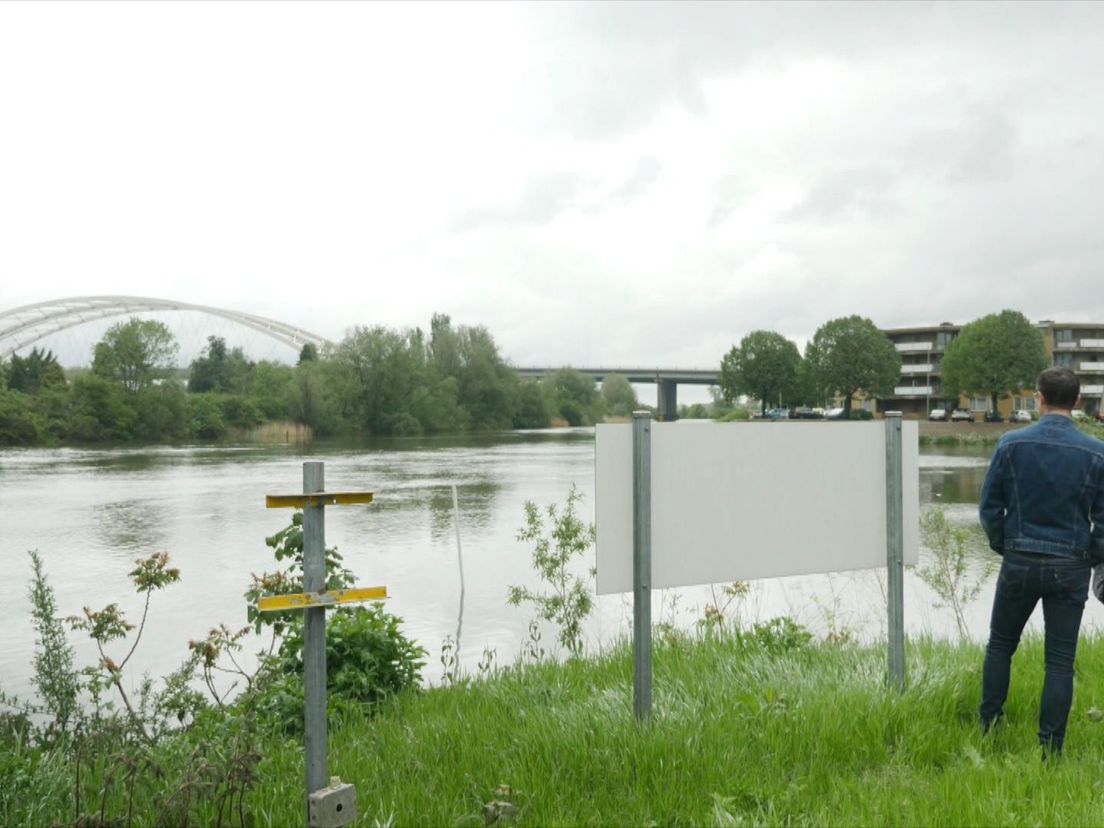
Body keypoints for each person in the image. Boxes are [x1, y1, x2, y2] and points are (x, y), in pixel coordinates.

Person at [978, 366, 1104, 754]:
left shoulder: (1011, 444)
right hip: (1071, 565)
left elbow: (989, 508)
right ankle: (1051, 748)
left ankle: (989, 729)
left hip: (1019, 558)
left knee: (1001, 645)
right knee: (1060, 662)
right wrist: (1089, 557)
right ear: (1078, 402)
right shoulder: (1096, 452)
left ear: (1039, 397)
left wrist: (1007, 545)